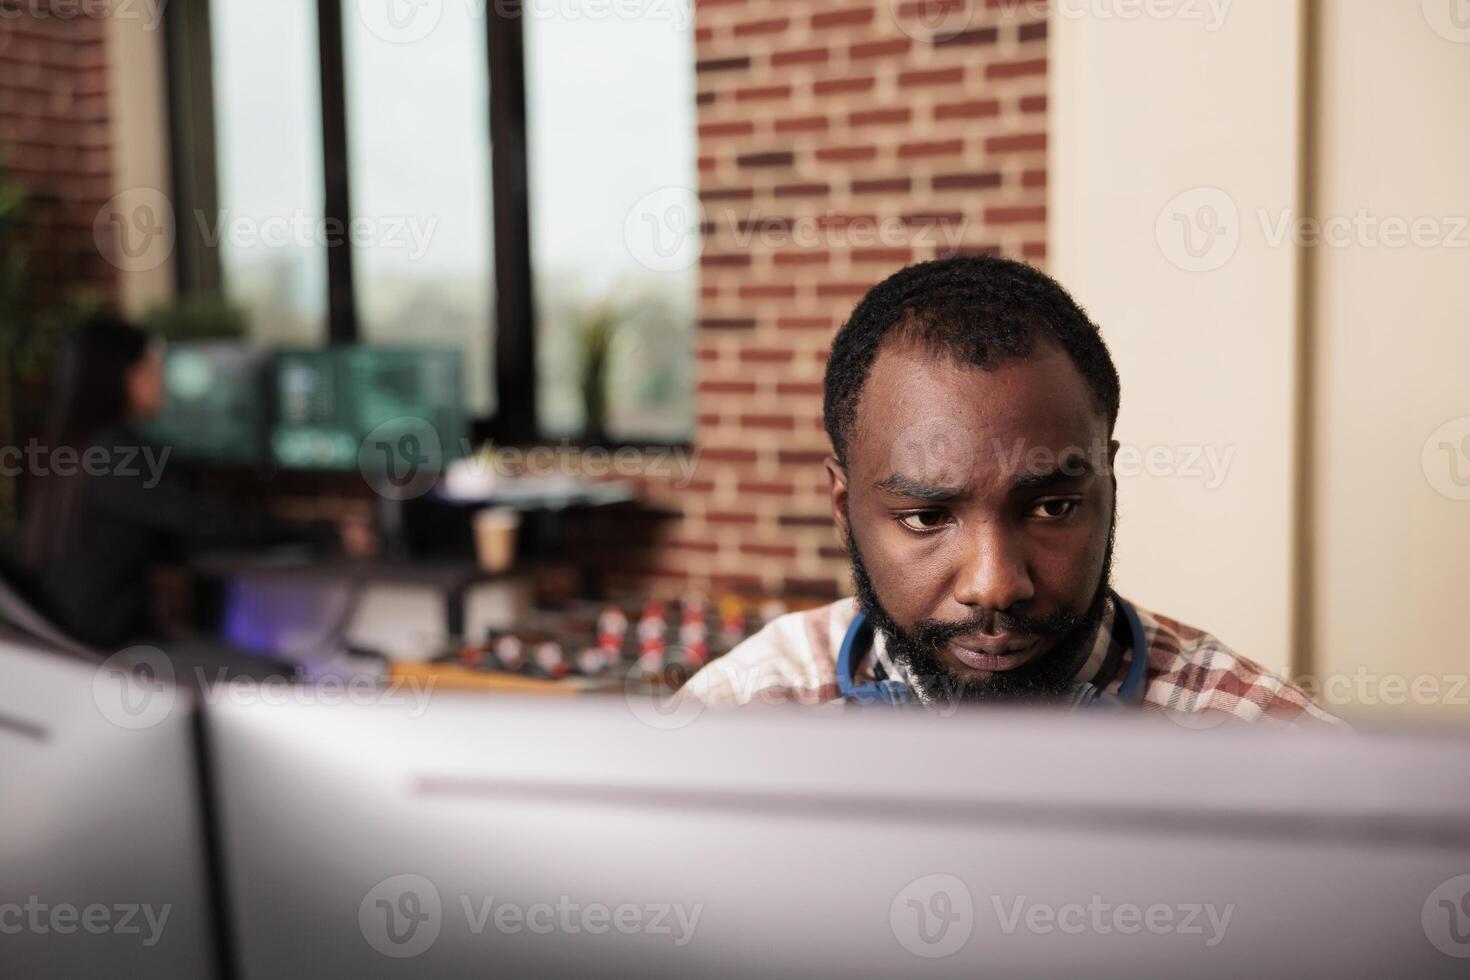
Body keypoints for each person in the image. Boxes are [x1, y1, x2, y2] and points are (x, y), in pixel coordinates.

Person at [679, 256, 1337, 725]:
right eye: (926, 517)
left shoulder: (1264, 752)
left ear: (1107, 482)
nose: (995, 586)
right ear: (842, 510)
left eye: (1052, 507)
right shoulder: (740, 724)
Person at [20, 314, 374, 649]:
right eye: (153, 367)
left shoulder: (70, 451)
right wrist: (327, 533)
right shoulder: (114, 454)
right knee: (274, 678)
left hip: (76, 646)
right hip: (112, 652)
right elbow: (206, 520)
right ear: (126, 376)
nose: (161, 379)